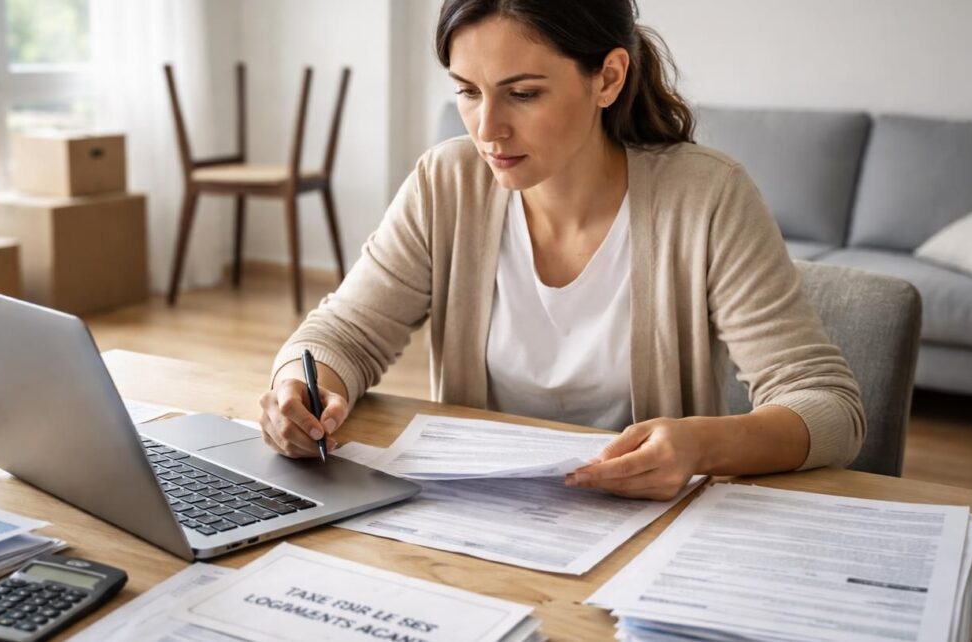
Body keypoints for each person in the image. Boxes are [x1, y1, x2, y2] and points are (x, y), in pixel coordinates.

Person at [258, 0, 865, 500]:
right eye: (468, 91)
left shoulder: (707, 198)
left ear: (608, 77)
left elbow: (828, 408)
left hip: (647, 530)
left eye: (522, 94)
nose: (486, 128)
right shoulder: (446, 183)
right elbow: (343, 336)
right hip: (479, 520)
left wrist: (700, 444)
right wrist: (300, 387)